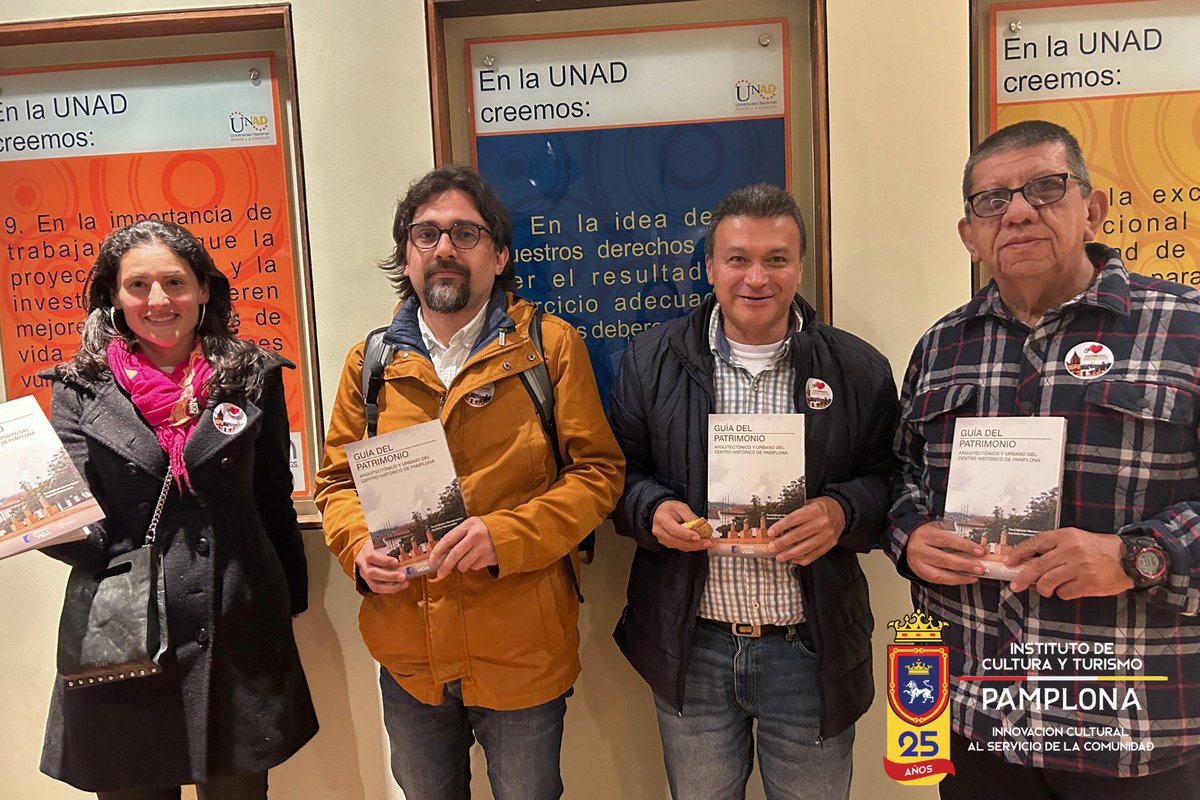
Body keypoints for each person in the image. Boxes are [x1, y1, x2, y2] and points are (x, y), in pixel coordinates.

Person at [886, 119, 1200, 798]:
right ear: (970, 234)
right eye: (992, 200)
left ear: (1093, 209)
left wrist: (1136, 556)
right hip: (978, 726)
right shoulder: (940, 347)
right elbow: (900, 477)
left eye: (1045, 188)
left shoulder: (1186, 329)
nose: (1019, 210)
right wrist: (910, 535)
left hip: (1135, 728)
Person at [315, 165, 624, 800]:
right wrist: (357, 548)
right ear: (406, 256)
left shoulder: (550, 347)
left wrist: (504, 535)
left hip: (522, 652)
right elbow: (336, 483)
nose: (444, 250)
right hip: (410, 656)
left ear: (499, 254)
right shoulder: (369, 363)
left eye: (465, 234)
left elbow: (598, 475)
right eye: (425, 235)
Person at [608, 183, 898, 799]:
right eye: (738, 258)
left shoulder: (858, 369)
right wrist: (650, 509)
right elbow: (615, 475)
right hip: (694, 646)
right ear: (710, 266)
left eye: (776, 259)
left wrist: (842, 511)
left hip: (809, 650)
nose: (756, 277)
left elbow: (893, 483)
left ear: (800, 267)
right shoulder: (648, 360)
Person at [39, 219, 317, 799]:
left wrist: (288, 597)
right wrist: (39, 522)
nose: (158, 300)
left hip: (234, 624)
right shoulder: (78, 387)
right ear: (113, 297)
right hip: (126, 635)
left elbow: (272, 497)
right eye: (138, 285)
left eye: (175, 282)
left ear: (205, 290)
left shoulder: (250, 375)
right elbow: (81, 524)